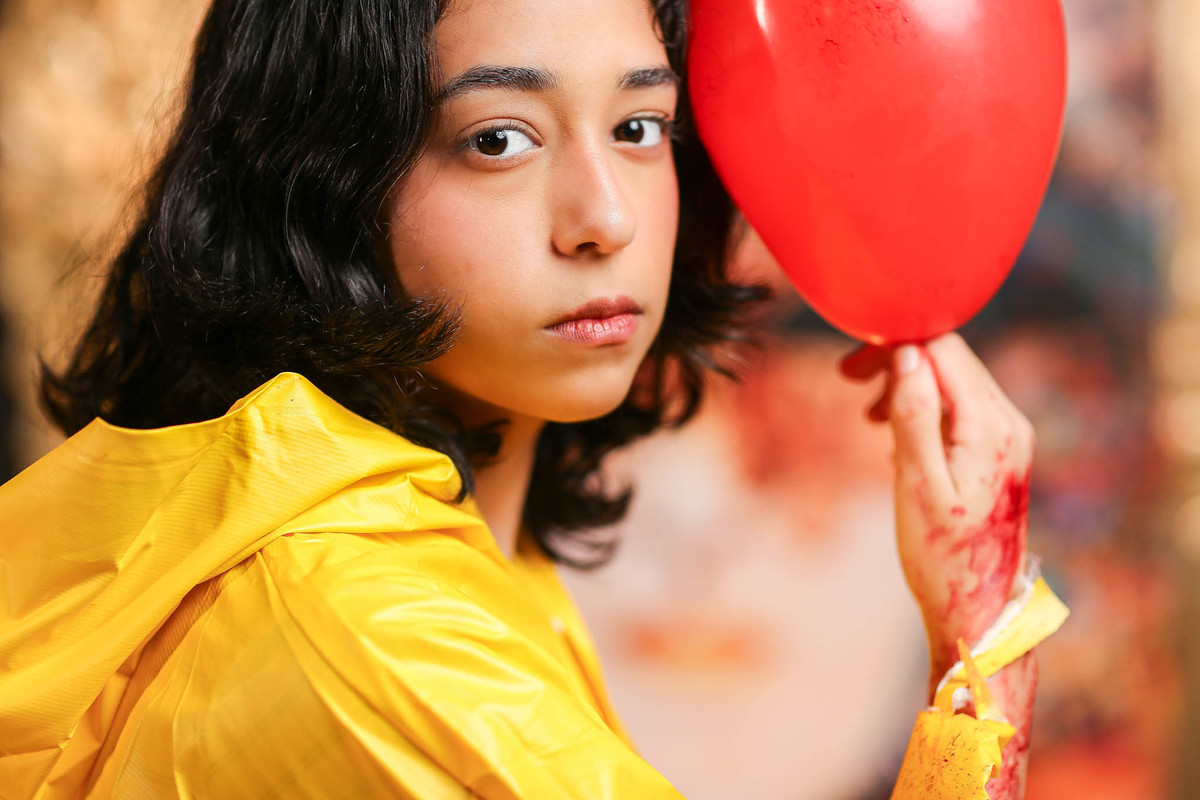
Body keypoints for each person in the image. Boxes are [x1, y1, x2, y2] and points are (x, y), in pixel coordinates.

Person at [0, 0, 1062, 798]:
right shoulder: (379, 636)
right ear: (327, 181)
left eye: (641, 127)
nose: (603, 218)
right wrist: (985, 631)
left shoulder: (428, 541)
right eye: (500, 138)